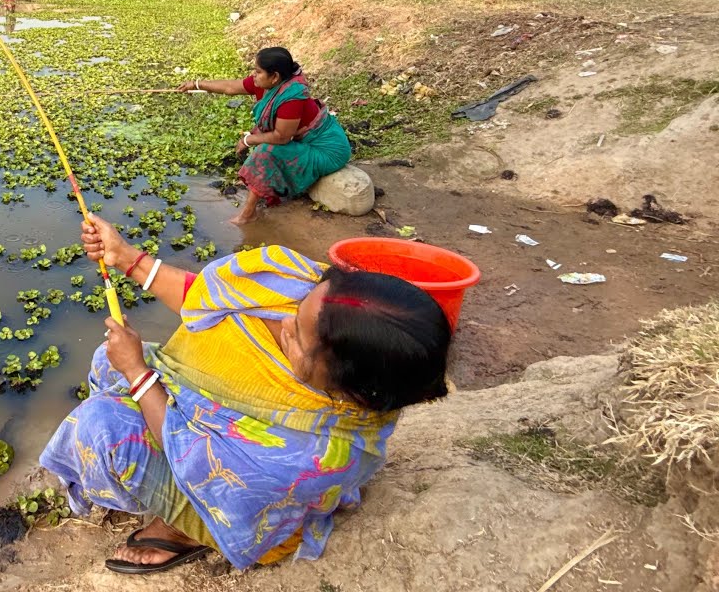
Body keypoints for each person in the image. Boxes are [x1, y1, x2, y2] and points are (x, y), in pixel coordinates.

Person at [40, 216, 451, 575]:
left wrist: (138, 373)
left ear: (348, 387)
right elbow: (207, 298)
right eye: (300, 308)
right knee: (104, 361)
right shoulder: (303, 288)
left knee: (100, 429)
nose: (285, 323)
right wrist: (126, 257)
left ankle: (187, 530)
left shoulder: (316, 456)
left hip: (228, 486)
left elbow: (199, 457)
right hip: (200, 412)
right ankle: (149, 483)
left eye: (300, 340)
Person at [178, 47, 351, 225]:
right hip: (303, 142)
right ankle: (261, 189)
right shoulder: (267, 84)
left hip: (327, 150)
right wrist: (196, 84)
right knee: (263, 142)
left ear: (274, 76)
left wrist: (247, 139)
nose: (254, 75)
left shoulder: (291, 97)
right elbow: (230, 87)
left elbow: (281, 137)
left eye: (258, 71)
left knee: (266, 151)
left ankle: (248, 214)